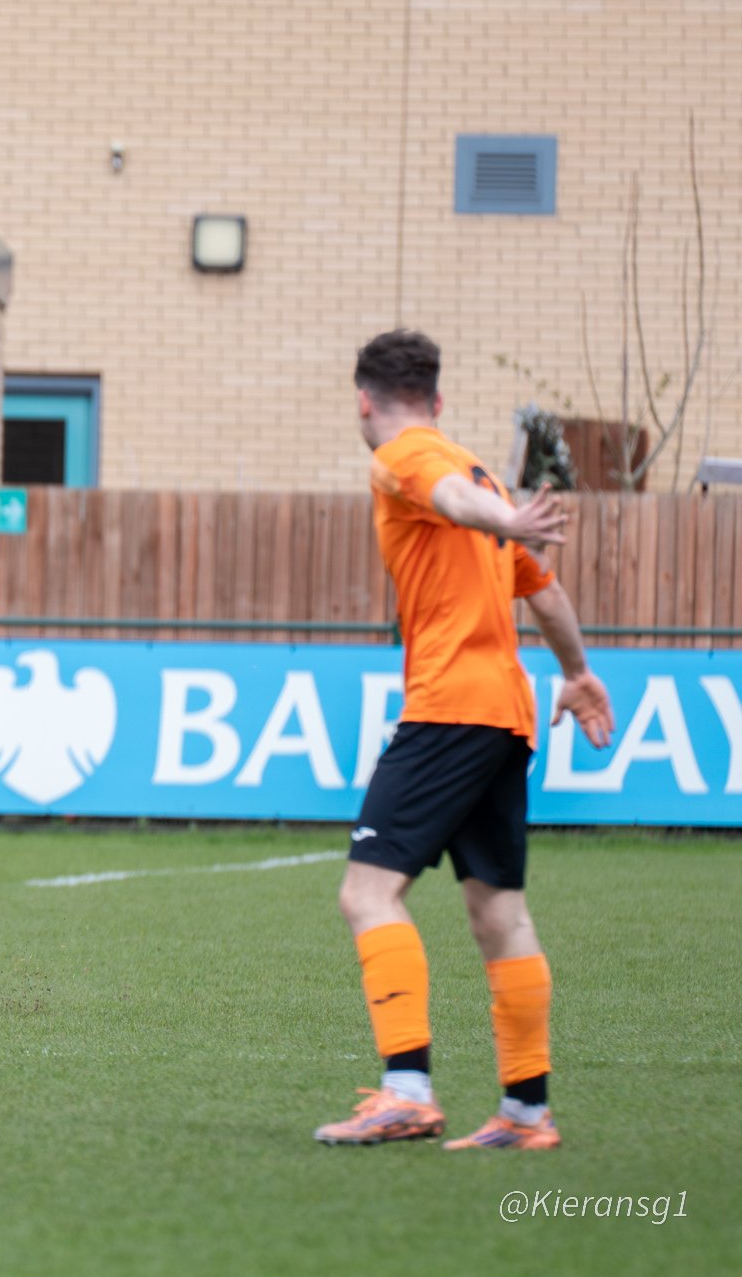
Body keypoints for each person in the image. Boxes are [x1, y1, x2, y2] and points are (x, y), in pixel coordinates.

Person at [314, 331, 612, 1150]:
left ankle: (406, 1091)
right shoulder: (479, 469)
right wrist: (578, 672)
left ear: (364, 399)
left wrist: (505, 516)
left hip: (448, 709)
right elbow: (542, 592)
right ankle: (526, 1112)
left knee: (368, 895)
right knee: (498, 910)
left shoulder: (405, 458)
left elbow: (446, 498)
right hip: (507, 715)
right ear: (439, 398)